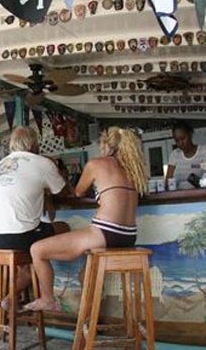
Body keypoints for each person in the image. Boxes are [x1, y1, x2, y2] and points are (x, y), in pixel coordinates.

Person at [26, 127, 148, 312]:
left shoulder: (96, 164)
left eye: (100, 145)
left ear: (106, 144)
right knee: (85, 274)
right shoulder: (132, 170)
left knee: (37, 249)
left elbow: (78, 191)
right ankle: (92, 319)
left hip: (104, 232)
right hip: (128, 237)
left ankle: (47, 300)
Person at [0, 126, 66, 305]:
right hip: (18, 237)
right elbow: (64, 193)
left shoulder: (1, 165)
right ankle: (49, 297)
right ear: (35, 144)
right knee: (62, 228)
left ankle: (10, 298)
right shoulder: (42, 162)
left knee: (29, 264)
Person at [165, 120, 206, 190]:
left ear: (190, 134)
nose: (180, 143)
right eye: (177, 140)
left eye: (183, 138)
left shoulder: (203, 151)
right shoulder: (174, 155)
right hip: (179, 198)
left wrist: (199, 182)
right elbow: (168, 182)